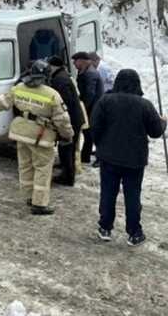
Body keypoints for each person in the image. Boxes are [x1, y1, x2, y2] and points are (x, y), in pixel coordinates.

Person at [92, 69, 166, 246]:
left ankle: (105, 227)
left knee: (108, 193)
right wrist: (163, 122)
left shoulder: (105, 101)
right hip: (135, 160)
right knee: (132, 195)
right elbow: (155, 132)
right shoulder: (144, 105)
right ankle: (134, 232)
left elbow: (95, 127)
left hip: (109, 158)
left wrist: (101, 146)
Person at [0, 60, 74, 215]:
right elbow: (62, 120)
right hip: (40, 136)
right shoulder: (52, 94)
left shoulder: (18, 88)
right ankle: (39, 204)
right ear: (47, 75)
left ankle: (29, 197)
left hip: (20, 133)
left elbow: (1, 102)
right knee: (42, 169)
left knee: (25, 166)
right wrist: (67, 135)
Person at [47, 56, 84, 186]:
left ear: (53, 66)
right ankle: (67, 172)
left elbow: (65, 103)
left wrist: (60, 122)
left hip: (71, 120)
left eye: (48, 66)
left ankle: (68, 178)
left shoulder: (60, 80)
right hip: (73, 118)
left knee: (66, 148)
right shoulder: (61, 75)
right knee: (68, 148)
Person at [72, 51, 104, 166]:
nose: (74, 64)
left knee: (94, 133)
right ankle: (85, 156)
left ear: (81, 61)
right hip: (91, 107)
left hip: (93, 108)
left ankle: (101, 158)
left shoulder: (90, 74)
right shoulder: (84, 71)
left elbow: (89, 94)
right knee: (88, 133)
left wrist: (82, 108)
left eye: (75, 61)